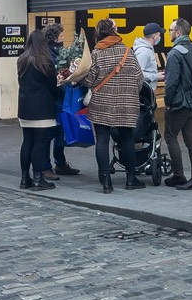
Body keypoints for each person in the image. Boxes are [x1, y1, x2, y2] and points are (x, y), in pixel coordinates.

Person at [84, 18, 146, 193]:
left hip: (101, 103)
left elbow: (89, 80)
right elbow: (139, 79)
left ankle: (106, 183)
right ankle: (131, 179)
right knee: (127, 139)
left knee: (102, 140)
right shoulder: (128, 51)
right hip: (126, 104)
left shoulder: (97, 53)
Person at [163, 18, 192, 190]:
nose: (169, 33)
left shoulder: (175, 53)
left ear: (178, 33)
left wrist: (168, 102)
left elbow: (171, 82)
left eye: (171, 30)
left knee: (171, 137)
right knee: (191, 141)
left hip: (180, 104)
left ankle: (178, 175)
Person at [16, 29, 60, 191]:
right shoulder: (45, 61)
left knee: (27, 142)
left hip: (25, 106)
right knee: (40, 143)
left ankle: (24, 178)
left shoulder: (22, 60)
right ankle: (37, 178)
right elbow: (52, 85)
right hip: (42, 107)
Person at [39, 24, 80, 181]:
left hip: (62, 99)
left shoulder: (57, 52)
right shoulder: (48, 54)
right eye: (61, 36)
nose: (63, 39)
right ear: (54, 37)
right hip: (53, 99)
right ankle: (45, 166)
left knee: (60, 131)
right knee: (50, 133)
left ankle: (60, 163)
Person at [134, 23, 163, 88]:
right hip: (144, 92)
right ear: (154, 36)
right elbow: (138, 73)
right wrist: (156, 76)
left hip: (148, 91)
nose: (159, 37)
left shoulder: (149, 49)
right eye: (159, 35)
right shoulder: (143, 52)